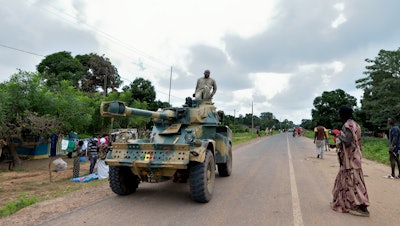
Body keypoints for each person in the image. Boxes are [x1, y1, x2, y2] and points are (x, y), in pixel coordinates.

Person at [331, 106, 370, 217]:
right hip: (353, 157)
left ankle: (362, 206)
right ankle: (351, 203)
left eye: (339, 113)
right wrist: (336, 145)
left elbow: (347, 141)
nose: (338, 116)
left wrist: (337, 134)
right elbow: (351, 141)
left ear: (343, 114)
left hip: (351, 159)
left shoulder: (348, 125)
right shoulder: (355, 124)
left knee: (354, 183)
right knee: (348, 181)